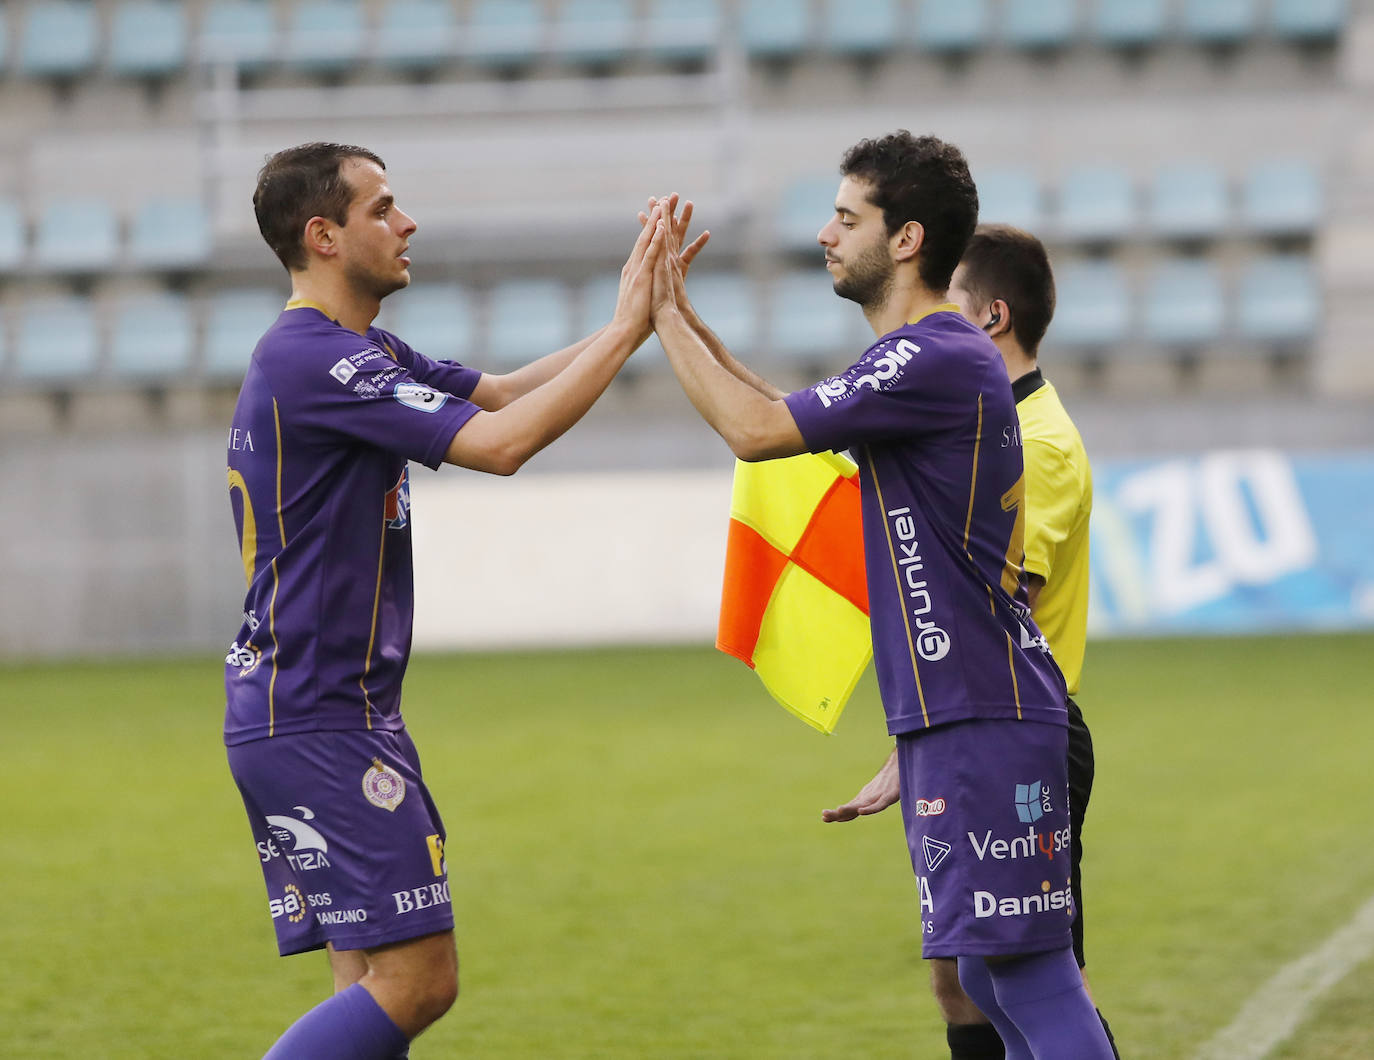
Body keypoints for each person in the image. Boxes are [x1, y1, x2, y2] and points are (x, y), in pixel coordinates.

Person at [647, 132, 1115, 1058]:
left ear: (905, 240)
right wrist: (683, 318)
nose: (825, 234)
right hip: (956, 713)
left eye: (846, 217)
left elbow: (754, 430)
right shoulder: (923, 364)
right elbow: (778, 411)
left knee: (1026, 973)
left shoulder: (936, 354)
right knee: (983, 975)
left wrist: (656, 315)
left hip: (990, 709)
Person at [223, 141, 667, 1059]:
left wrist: (639, 317)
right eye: (382, 207)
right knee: (420, 982)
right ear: (324, 236)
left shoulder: (357, 351)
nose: (408, 220)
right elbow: (502, 444)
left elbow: (500, 394)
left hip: (317, 710)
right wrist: (628, 329)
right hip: (316, 716)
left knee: (367, 984)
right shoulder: (320, 362)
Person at [929, 224, 1119, 1059]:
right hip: (980, 722)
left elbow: (1008, 613)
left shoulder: (1034, 444)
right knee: (968, 975)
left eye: (948, 307)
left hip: (1020, 728)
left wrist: (914, 746)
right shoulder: (991, 424)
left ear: (993, 317)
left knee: (1036, 977)